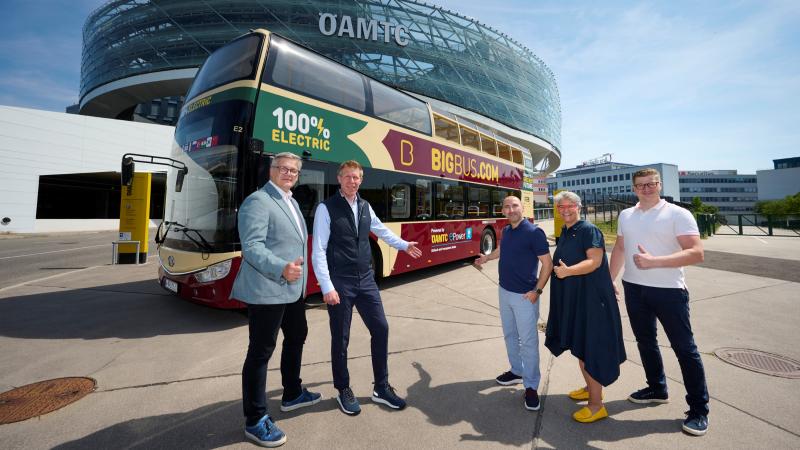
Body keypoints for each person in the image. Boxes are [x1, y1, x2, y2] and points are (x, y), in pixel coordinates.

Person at [311, 160, 423, 416]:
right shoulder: (325, 209)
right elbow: (318, 250)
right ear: (339, 179)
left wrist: (404, 245)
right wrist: (327, 286)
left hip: (366, 280)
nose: (352, 181)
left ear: (361, 180)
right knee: (341, 337)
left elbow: (381, 231)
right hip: (341, 281)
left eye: (356, 177)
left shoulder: (365, 206)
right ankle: (343, 389)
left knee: (381, 328)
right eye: (348, 176)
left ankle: (381, 387)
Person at [230, 152, 321, 447]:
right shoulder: (258, 201)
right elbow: (252, 247)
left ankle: (292, 393)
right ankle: (255, 420)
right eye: (283, 168)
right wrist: (281, 268)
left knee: (297, 337)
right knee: (261, 352)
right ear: (271, 170)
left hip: (292, 291)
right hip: (267, 289)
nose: (289, 173)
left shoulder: (291, 201)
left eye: (294, 170)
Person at [609, 168, 709, 436]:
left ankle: (699, 410)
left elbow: (696, 253)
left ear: (659, 185)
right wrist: (610, 279)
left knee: (684, 349)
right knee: (645, 342)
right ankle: (657, 388)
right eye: (641, 185)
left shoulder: (678, 214)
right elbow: (620, 248)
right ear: (633, 189)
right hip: (634, 287)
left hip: (669, 291)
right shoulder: (626, 215)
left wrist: (655, 262)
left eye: (651, 184)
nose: (647, 189)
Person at [544, 191, 626, 423]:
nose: (565, 210)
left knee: (591, 348)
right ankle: (592, 388)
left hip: (591, 300)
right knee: (581, 344)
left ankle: (596, 405)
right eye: (561, 207)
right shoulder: (566, 231)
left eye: (570, 206)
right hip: (576, 298)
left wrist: (568, 271)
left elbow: (595, 261)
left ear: (579, 207)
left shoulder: (588, 230)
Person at [475, 196, 553, 411]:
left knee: (528, 342)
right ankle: (516, 370)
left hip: (524, 297)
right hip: (504, 292)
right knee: (510, 335)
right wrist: (487, 258)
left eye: (515, 206)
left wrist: (537, 290)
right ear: (503, 211)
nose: (511, 210)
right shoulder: (507, 230)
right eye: (507, 207)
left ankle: (531, 385)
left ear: (523, 208)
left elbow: (547, 263)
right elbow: (503, 250)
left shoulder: (534, 232)